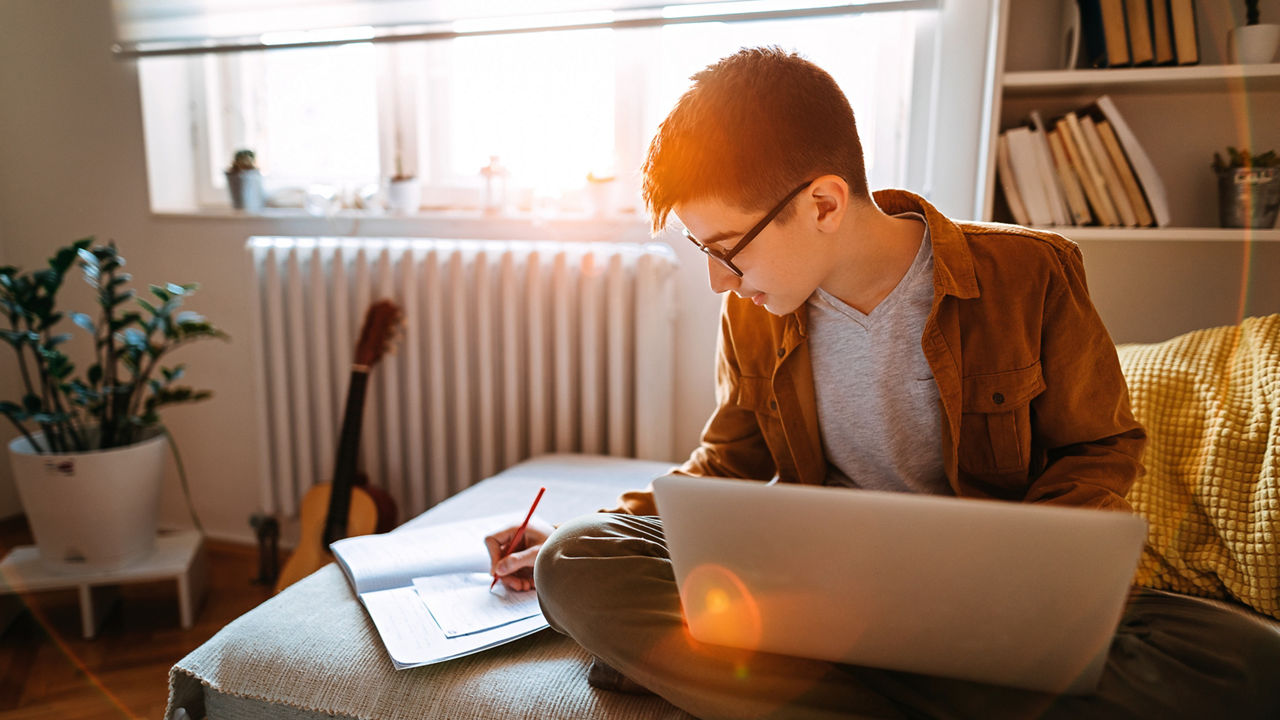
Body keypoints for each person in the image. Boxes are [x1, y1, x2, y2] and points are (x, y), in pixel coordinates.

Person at [484, 47, 1280, 719]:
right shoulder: (756, 312)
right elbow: (724, 466)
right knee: (578, 562)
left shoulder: (1031, 272)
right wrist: (579, 527)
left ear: (825, 203)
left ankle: (797, 688)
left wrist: (1025, 578)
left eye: (727, 248)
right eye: (704, 252)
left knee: (1246, 661)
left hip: (987, 602)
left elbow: (1100, 448)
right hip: (817, 593)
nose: (718, 283)